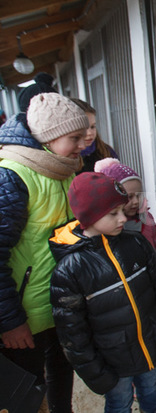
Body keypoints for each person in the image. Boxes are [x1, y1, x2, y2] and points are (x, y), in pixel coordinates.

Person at [49, 172, 156, 413]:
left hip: (149, 347)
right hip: (113, 364)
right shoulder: (70, 270)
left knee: (152, 390)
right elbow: (73, 333)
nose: (123, 218)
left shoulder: (136, 243)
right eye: (113, 214)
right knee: (120, 402)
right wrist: (95, 373)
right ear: (88, 217)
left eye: (122, 210)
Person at [0, 92, 90, 413]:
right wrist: (9, 322)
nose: (84, 144)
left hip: (59, 302)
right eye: (75, 137)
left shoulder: (62, 168)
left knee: (62, 374)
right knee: (28, 394)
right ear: (49, 138)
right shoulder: (11, 176)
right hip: (24, 316)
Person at [95, 158, 156, 289]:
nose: (135, 201)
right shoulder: (109, 226)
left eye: (139, 195)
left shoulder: (146, 217)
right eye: (129, 196)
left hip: (154, 275)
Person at [70, 98, 118, 173]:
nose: (89, 133)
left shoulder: (106, 152)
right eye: (84, 128)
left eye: (93, 127)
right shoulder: (65, 158)